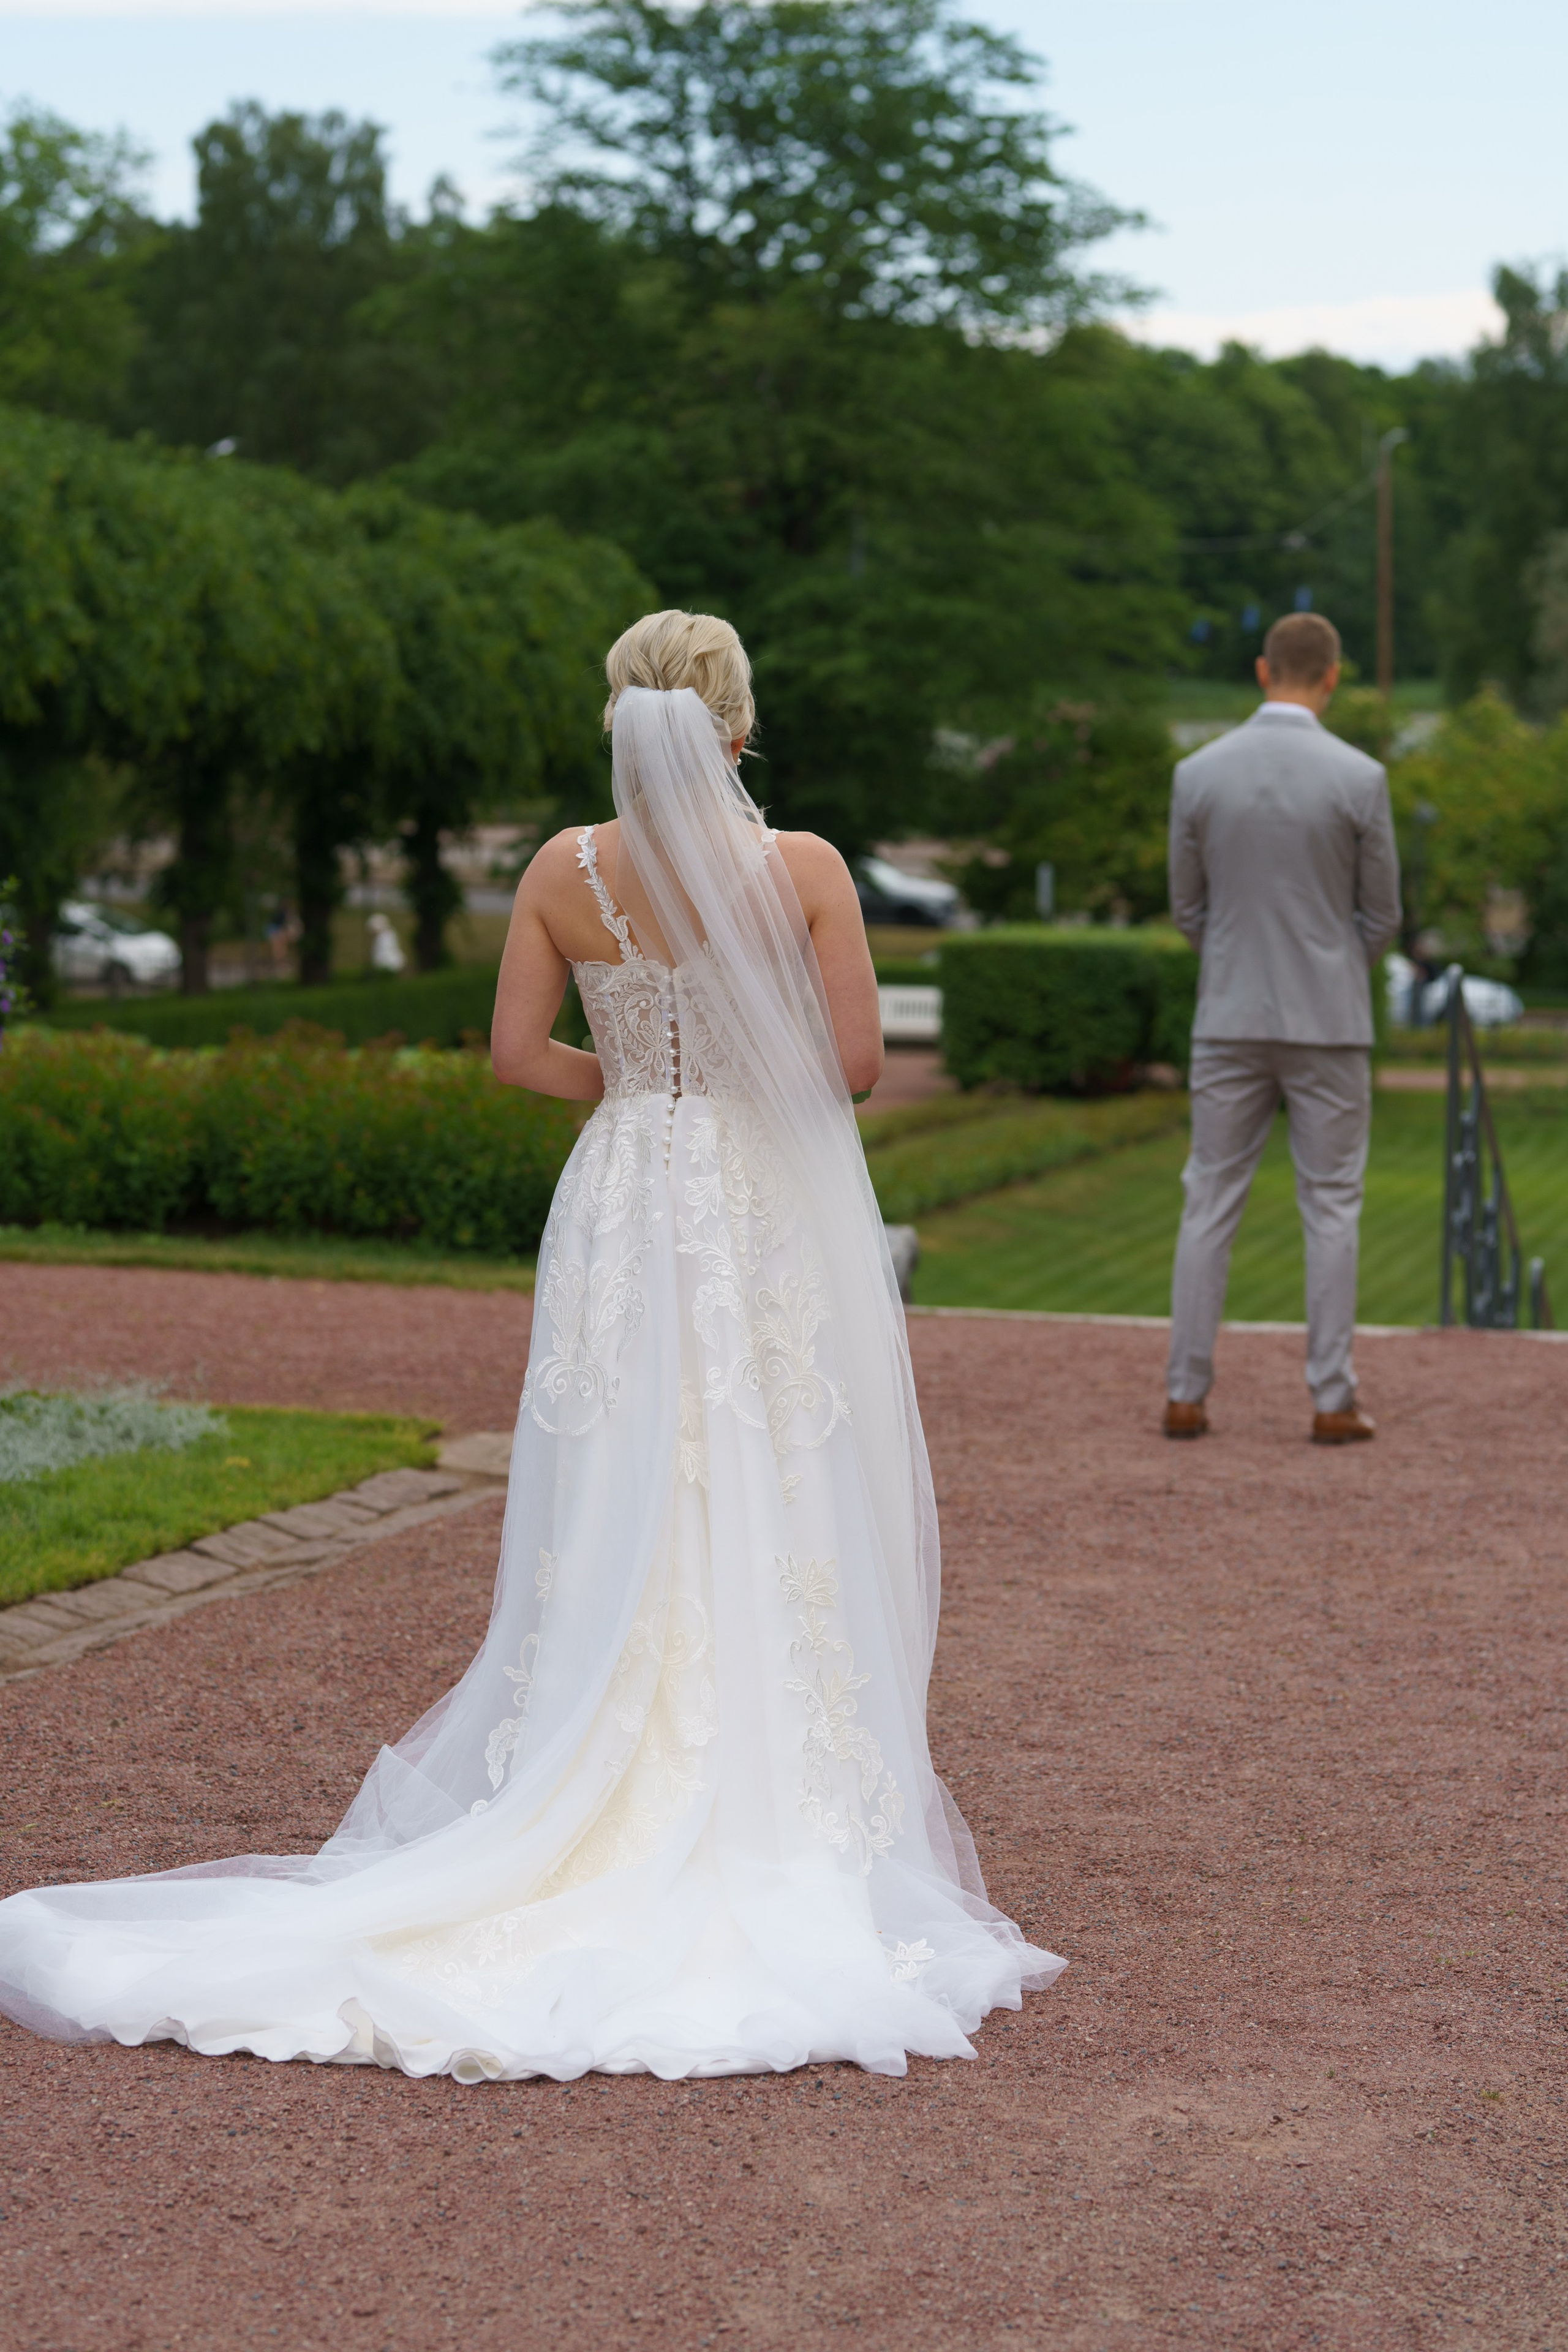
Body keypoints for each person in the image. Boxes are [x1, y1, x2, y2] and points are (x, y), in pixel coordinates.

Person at [0, 609, 1062, 2081]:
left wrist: (633, 1076)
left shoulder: (562, 872)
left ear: (621, 723)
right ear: (736, 728)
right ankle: (773, 1788)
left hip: (627, 1189)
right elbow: (857, 1068)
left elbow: (510, 1059)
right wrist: (730, 1076)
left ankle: (590, 1759)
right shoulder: (799, 868)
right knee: (760, 1455)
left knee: (625, 1460)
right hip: (749, 1195)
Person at [1164, 611, 1401, 1445]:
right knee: (1332, 1205)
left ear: (1265, 671)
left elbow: (1188, 909)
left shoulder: (1198, 773)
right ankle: (1331, 1398)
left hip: (1228, 1013)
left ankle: (1186, 1393)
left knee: (1208, 1200)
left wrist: (1232, 962)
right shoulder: (1361, 777)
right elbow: (1383, 915)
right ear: (1332, 677)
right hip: (1331, 1020)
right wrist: (1334, 969)